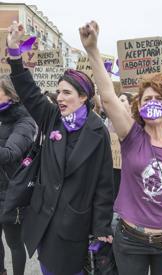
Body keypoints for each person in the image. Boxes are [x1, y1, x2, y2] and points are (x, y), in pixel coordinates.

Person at [79, 21, 162, 275]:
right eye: (147, 99)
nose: (153, 103)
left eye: (159, 99)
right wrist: (92, 50)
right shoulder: (131, 136)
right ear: (139, 107)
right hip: (130, 240)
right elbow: (109, 97)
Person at [6, 21, 114, 275]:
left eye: (66, 93)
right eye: (58, 92)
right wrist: (14, 53)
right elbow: (29, 90)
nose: (60, 98)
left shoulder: (98, 132)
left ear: (83, 96)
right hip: (44, 218)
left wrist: (101, 227)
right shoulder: (52, 117)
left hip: (74, 224)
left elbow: (103, 184)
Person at [0, 74, 35, 275]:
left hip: (11, 194)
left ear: (11, 96)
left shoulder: (25, 121)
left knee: (14, 243)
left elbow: (10, 154)